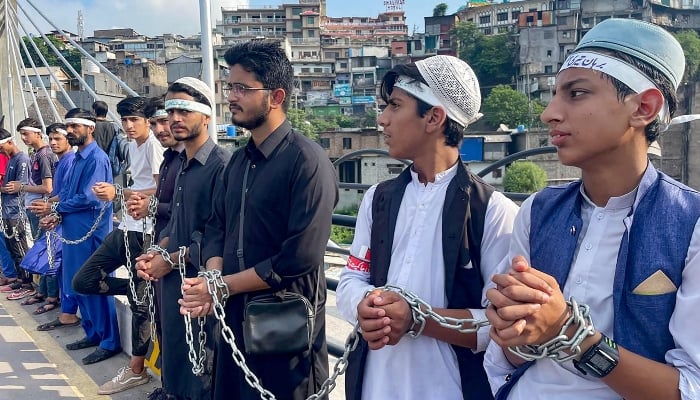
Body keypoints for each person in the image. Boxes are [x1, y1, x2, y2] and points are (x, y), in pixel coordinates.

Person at [483, 18, 700, 400]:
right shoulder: (537, 211)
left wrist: (570, 333)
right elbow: (508, 359)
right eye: (553, 95)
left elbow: (690, 388)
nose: (549, 113)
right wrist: (511, 329)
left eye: (576, 93)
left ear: (644, 107)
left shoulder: (690, 224)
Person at [334, 55, 518, 400]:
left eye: (395, 106)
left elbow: (499, 326)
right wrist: (366, 303)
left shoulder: (494, 212)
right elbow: (351, 279)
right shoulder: (378, 198)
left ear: (434, 117)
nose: (382, 119)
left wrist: (418, 320)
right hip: (374, 387)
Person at [175, 41, 338, 400]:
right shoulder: (237, 162)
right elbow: (217, 225)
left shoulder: (306, 162)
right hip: (234, 320)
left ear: (276, 96)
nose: (231, 96)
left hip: (286, 328)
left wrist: (223, 286)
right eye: (229, 87)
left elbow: (298, 258)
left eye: (242, 89)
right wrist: (213, 277)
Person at [135, 77, 230, 400]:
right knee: (173, 351)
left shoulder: (221, 166)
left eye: (184, 110)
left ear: (206, 116)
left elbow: (218, 235)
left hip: (199, 286)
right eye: (171, 110)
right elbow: (174, 224)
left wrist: (169, 260)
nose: (175, 118)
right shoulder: (181, 164)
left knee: (201, 366)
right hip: (171, 280)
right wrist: (155, 252)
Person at [72, 96, 164, 394]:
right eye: (124, 120)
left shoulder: (153, 146)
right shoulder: (133, 146)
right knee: (83, 280)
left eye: (134, 120)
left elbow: (161, 190)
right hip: (126, 228)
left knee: (140, 309)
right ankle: (134, 290)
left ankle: (136, 370)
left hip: (145, 232)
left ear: (147, 121)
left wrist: (119, 191)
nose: (128, 125)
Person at [39, 108, 121, 365]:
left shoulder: (96, 159)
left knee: (95, 284)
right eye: (68, 126)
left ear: (90, 128)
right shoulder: (76, 159)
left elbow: (89, 197)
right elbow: (68, 195)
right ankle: (93, 333)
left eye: (75, 126)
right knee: (77, 284)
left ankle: (109, 341)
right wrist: (57, 214)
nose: (70, 130)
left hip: (90, 234)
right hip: (74, 232)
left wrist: (55, 208)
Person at [30, 123, 81, 328]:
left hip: (66, 220)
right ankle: (63, 309)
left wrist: (49, 205)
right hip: (59, 216)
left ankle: (64, 308)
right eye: (51, 138)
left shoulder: (70, 161)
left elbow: (71, 195)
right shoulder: (62, 162)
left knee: (62, 265)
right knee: (57, 266)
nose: (52, 143)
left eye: (57, 138)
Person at [14, 118, 58, 310]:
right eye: (21, 134)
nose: (23, 138)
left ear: (38, 133)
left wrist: (21, 187)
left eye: (26, 133)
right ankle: (42, 290)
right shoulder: (36, 154)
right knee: (42, 251)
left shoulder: (44, 155)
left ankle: (49, 295)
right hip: (35, 207)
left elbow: (48, 187)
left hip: (42, 208)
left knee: (45, 251)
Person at [0, 128, 33, 301]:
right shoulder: (12, 159)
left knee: (20, 248)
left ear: (10, 142)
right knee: (12, 247)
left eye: (2, 148)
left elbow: (19, 185)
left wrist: (8, 188)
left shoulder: (22, 159)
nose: (2, 152)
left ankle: (27, 283)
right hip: (7, 209)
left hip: (16, 210)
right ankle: (20, 280)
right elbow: (9, 186)